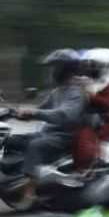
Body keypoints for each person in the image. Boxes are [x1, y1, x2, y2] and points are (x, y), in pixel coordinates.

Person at [7, 48, 91, 204]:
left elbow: (64, 115)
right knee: (10, 140)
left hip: (65, 137)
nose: (51, 72)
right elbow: (42, 110)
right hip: (49, 134)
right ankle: (15, 178)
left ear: (64, 69)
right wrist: (17, 113)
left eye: (54, 67)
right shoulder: (57, 92)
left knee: (35, 146)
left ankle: (29, 192)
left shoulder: (76, 93)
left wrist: (34, 113)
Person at [72, 48, 109, 171]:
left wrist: (89, 93)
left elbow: (107, 104)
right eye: (90, 65)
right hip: (90, 119)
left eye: (94, 65)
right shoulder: (94, 81)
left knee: (83, 137)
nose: (91, 69)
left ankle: (85, 169)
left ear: (108, 66)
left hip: (104, 123)